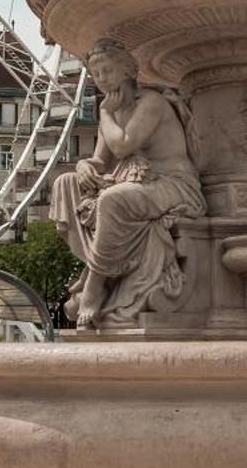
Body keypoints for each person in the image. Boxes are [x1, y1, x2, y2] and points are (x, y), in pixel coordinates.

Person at [50, 38, 205, 329]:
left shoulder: (151, 103)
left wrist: (105, 114)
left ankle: (95, 287)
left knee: (112, 200)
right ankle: (106, 266)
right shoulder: (113, 110)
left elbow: (122, 146)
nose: (102, 79)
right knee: (65, 183)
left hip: (173, 184)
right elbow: (100, 160)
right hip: (136, 181)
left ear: (128, 71)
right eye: (96, 74)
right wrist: (84, 166)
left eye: (107, 70)